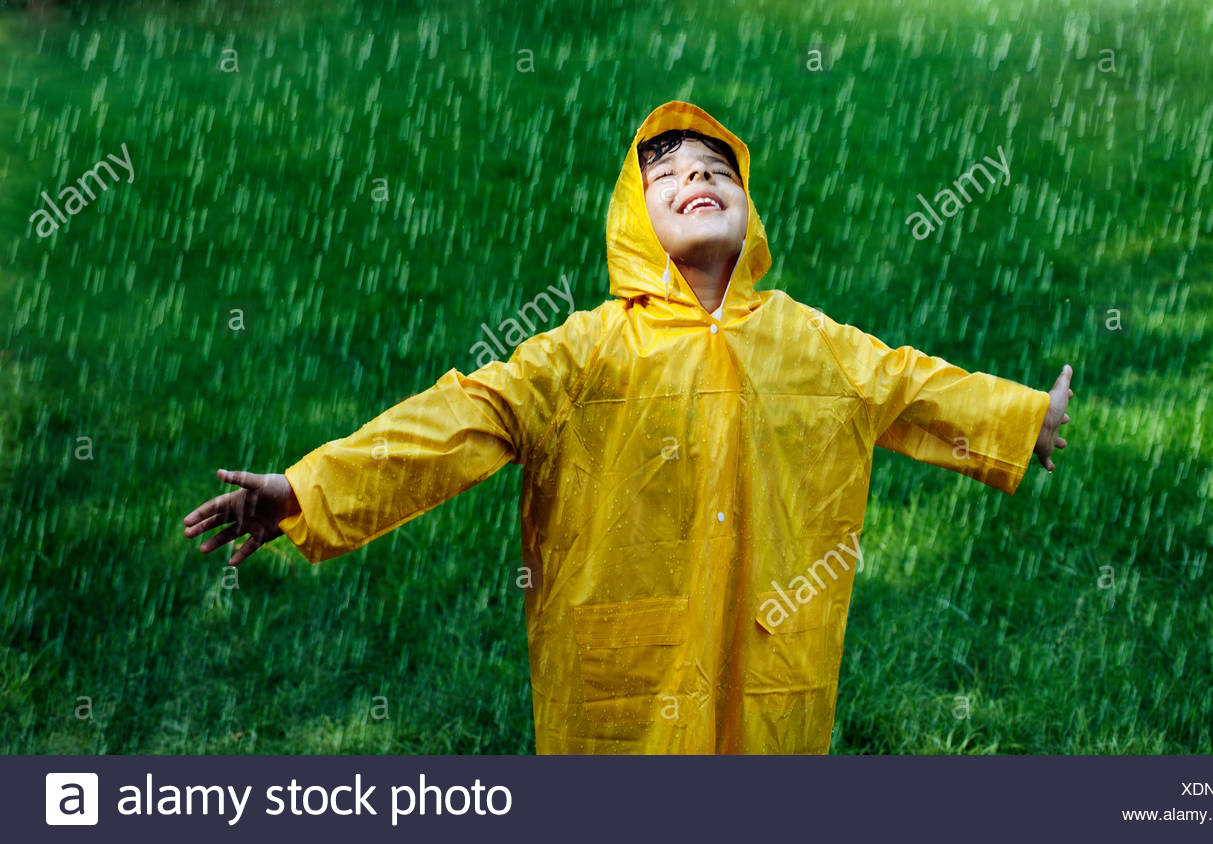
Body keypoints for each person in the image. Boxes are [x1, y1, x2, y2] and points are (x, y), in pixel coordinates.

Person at [182, 100, 1073, 753]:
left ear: (748, 210)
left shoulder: (813, 344)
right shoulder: (585, 356)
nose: (698, 178)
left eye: (719, 171)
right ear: (631, 224)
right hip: (625, 676)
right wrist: (309, 489)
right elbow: (463, 415)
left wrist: (1021, 420)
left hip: (771, 654)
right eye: (669, 173)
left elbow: (910, 386)